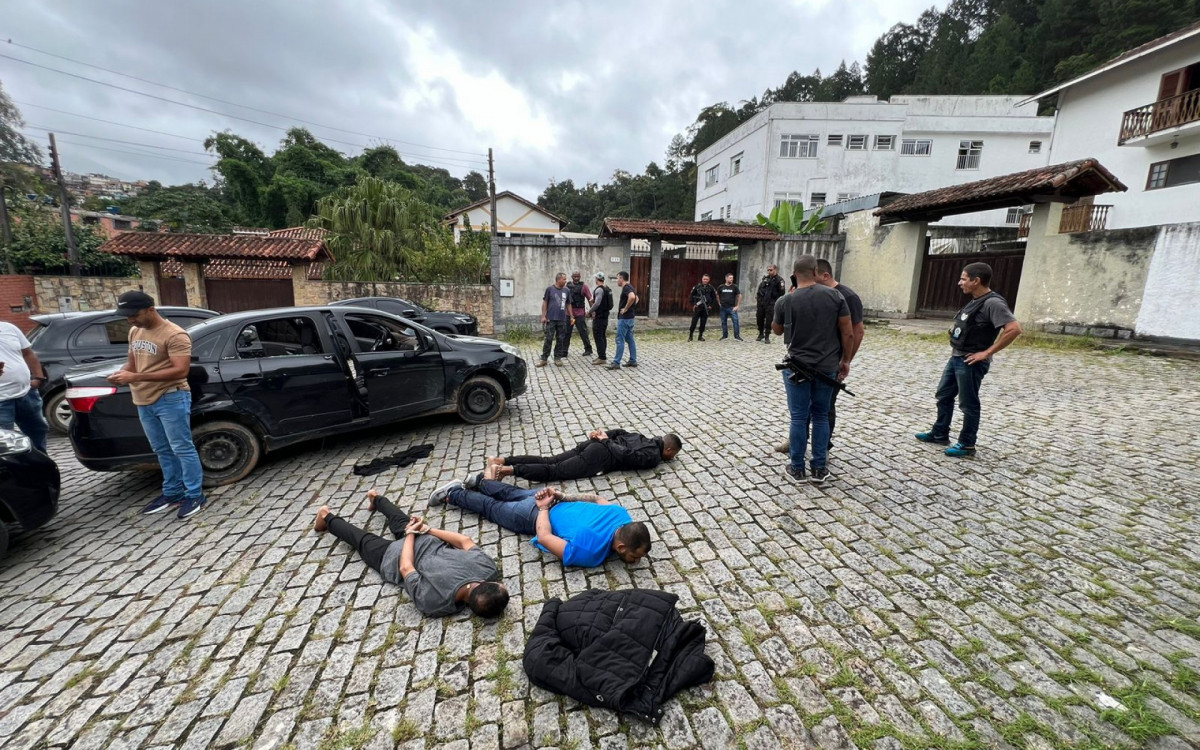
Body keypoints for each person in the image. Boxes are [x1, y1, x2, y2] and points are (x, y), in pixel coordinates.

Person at [315, 490, 509, 618]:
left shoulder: (488, 569)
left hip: (422, 542)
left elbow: (464, 541)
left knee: (399, 520)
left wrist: (422, 531)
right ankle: (326, 516)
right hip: (395, 555)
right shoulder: (435, 604)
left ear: (485, 583)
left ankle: (375, 498)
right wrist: (415, 532)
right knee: (361, 539)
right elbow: (407, 568)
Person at [107, 291, 206, 518]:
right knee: (161, 449)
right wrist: (121, 373)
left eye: (134, 314)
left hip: (171, 397)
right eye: (127, 316)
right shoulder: (135, 331)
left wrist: (135, 377)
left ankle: (195, 494)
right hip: (143, 399)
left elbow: (180, 371)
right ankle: (172, 493)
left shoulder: (175, 334)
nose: (131, 320)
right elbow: (133, 363)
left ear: (150, 309)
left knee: (182, 447)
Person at [916, 262, 1021, 458]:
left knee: (968, 404)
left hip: (971, 362)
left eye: (963, 279)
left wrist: (986, 353)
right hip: (957, 356)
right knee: (944, 395)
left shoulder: (993, 303)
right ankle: (940, 433)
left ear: (976, 281)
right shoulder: (975, 300)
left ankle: (967, 444)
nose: (960, 283)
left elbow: (1014, 329)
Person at [429, 477, 652, 568]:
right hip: (535, 514)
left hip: (551, 498)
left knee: (513, 492)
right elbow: (544, 537)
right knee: (492, 508)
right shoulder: (590, 552)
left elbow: (596, 498)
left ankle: (480, 481)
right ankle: (453, 493)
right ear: (621, 547)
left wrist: (561, 497)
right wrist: (543, 508)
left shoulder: (621, 515)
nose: (637, 561)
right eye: (635, 556)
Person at [772, 256, 853, 484]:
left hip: (796, 367)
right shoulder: (835, 296)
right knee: (820, 416)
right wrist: (846, 360)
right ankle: (819, 467)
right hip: (827, 367)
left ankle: (797, 468)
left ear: (794, 274)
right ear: (816, 271)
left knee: (798, 417)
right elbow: (848, 332)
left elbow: (777, 330)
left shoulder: (786, 300)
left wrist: (787, 302)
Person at [486, 428, 683, 482]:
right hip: (600, 456)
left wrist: (600, 435)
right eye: (673, 455)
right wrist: (605, 440)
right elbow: (626, 456)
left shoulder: (641, 436)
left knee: (549, 460)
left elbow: (619, 432)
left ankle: (500, 460)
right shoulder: (653, 456)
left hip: (593, 445)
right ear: (669, 450)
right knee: (554, 471)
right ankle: (506, 470)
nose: (672, 458)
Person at [0, 321, 50, 454]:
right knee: (4, 443)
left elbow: (28, 353)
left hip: (26, 394)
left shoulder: (9, 328)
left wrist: (39, 377)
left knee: (38, 431)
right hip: (1, 400)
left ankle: (40, 462)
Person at [537, 272, 573, 368]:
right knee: (548, 338)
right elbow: (545, 302)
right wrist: (543, 316)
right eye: (564, 279)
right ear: (558, 279)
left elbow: (569, 304)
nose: (566, 281)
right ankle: (544, 359)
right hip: (551, 319)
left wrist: (571, 316)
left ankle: (557, 358)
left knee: (560, 339)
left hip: (562, 319)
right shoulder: (550, 289)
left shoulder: (567, 290)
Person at [608, 271, 638, 370]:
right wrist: (631, 308)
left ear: (621, 278)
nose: (617, 280)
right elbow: (636, 298)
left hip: (625, 318)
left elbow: (632, 297)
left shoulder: (626, 288)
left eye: (618, 278)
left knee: (620, 340)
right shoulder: (631, 287)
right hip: (630, 318)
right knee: (630, 339)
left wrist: (626, 309)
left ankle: (616, 362)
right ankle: (633, 360)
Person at [565, 271, 594, 358]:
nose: (576, 278)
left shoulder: (584, 287)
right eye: (575, 276)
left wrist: (592, 311)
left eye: (578, 276)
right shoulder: (567, 286)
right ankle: (564, 351)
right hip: (569, 314)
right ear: (572, 277)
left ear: (580, 277)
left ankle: (588, 349)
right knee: (566, 333)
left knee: (583, 332)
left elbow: (590, 299)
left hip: (580, 314)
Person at [755, 265, 785, 343]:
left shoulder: (779, 280)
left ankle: (767, 336)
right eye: (768, 270)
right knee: (759, 318)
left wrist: (775, 301)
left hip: (771, 303)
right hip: (762, 302)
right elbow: (760, 289)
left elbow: (782, 293)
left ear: (775, 270)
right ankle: (761, 333)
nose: (769, 271)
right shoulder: (765, 279)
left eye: (771, 270)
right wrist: (758, 299)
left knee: (769, 320)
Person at [589, 272, 613, 365]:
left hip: (599, 317)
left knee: (598, 336)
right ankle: (601, 355)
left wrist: (589, 311)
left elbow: (597, 303)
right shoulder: (607, 289)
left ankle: (602, 357)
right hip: (605, 316)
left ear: (597, 280)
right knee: (602, 336)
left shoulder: (599, 290)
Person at [687, 274, 718, 342]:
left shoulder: (711, 288)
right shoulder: (697, 287)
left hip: (706, 308)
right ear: (702, 279)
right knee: (694, 322)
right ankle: (690, 336)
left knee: (703, 323)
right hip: (698, 308)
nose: (705, 280)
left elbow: (714, 298)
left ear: (709, 280)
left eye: (706, 279)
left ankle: (700, 336)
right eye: (704, 279)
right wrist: (693, 304)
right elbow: (691, 296)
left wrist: (711, 306)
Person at [717, 273, 743, 341]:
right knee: (723, 322)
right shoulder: (721, 286)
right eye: (730, 278)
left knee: (735, 321)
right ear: (726, 278)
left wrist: (737, 306)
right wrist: (719, 303)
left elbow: (739, 296)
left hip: (732, 308)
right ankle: (725, 336)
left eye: (732, 278)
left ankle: (737, 336)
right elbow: (717, 295)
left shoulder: (734, 287)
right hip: (723, 308)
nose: (731, 279)